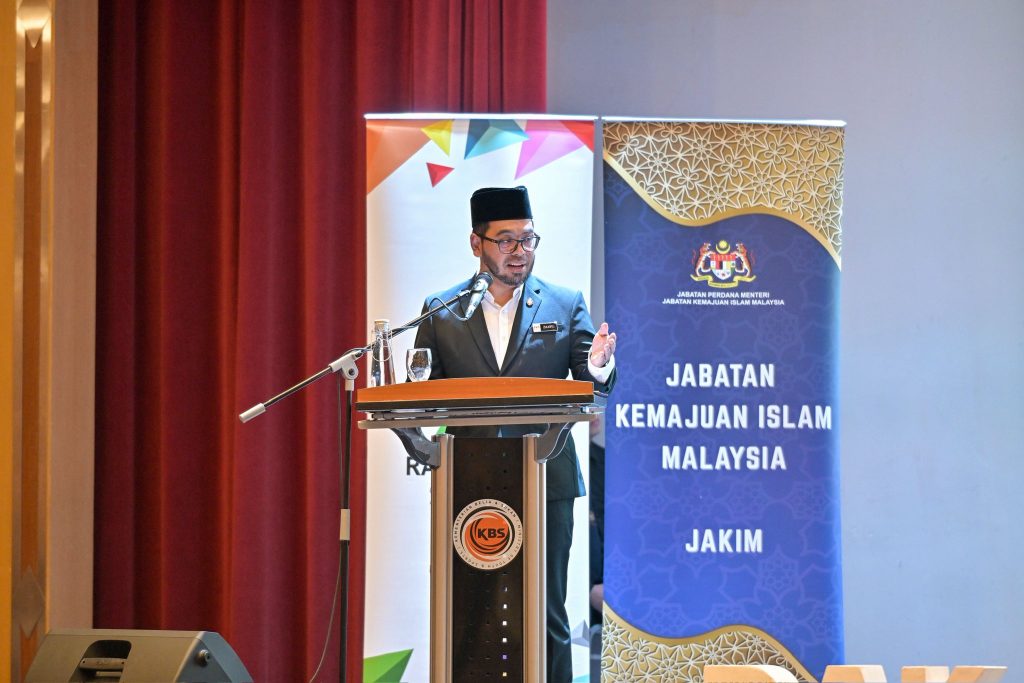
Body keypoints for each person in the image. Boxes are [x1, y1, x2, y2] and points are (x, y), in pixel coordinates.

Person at [413, 185, 617, 683]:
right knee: (469, 610)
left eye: (527, 239)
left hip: (546, 479)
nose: (519, 251)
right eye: (505, 240)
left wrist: (599, 365)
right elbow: (421, 391)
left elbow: (593, 380)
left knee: (545, 610)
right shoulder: (442, 310)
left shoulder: (565, 304)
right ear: (476, 243)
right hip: (467, 482)